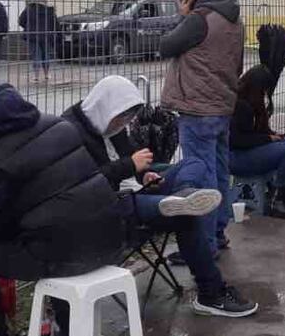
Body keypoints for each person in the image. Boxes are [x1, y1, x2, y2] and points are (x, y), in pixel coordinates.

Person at [0, 84, 126, 336]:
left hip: (65, 256)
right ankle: (70, 330)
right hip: (113, 243)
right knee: (57, 232)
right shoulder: (61, 126)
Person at [63, 76, 258, 317]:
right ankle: (211, 293)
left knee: (195, 163)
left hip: (137, 189)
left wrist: (145, 174)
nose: (124, 123)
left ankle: (184, 192)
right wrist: (129, 167)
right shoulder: (69, 132)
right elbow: (81, 186)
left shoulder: (111, 125)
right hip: (109, 206)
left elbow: (134, 161)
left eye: (128, 118)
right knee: (183, 214)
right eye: (121, 117)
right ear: (106, 107)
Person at [160, 0, 243, 256]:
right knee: (219, 172)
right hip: (222, 106)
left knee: (200, 178)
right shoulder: (234, 18)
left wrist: (183, 16)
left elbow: (166, 46)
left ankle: (203, 246)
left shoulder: (199, 19)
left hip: (197, 109)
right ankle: (218, 233)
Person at [231, 65, 285, 217]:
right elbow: (237, 140)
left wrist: (272, 135)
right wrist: (267, 138)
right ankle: (276, 199)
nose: (265, 94)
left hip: (253, 149)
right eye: (264, 89)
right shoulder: (239, 105)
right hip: (238, 156)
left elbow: (257, 132)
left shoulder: (254, 102)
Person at [18, 0, 57, 83]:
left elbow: (21, 21)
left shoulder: (29, 9)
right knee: (45, 55)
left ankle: (36, 77)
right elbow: (55, 24)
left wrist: (29, 26)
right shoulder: (49, 10)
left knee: (36, 55)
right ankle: (46, 75)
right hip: (46, 35)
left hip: (33, 35)